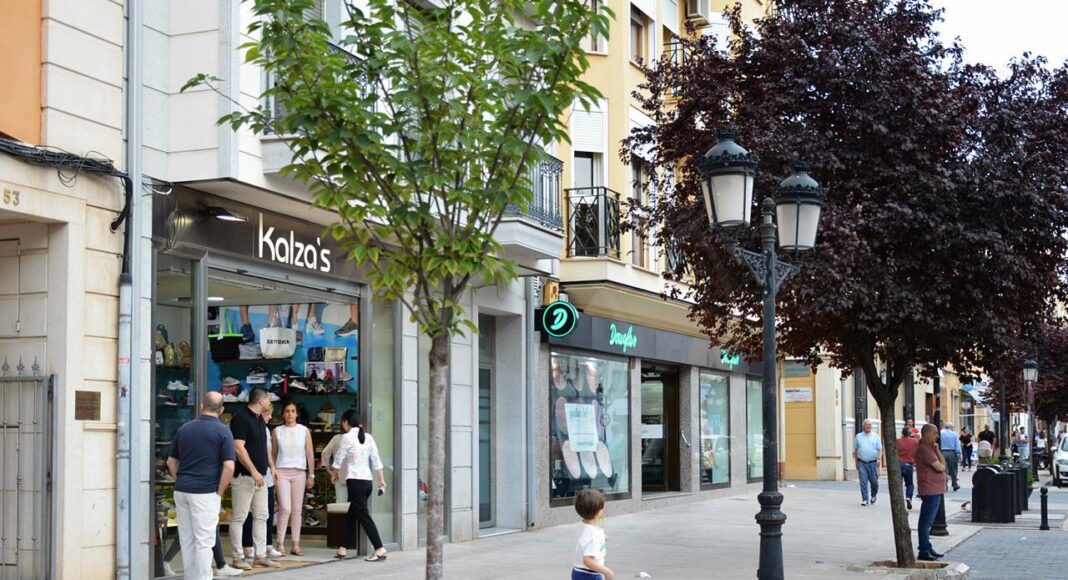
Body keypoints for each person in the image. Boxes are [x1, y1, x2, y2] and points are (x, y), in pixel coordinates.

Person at [165, 392, 236, 580]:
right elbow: (229, 467)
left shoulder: (184, 429)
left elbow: (171, 462)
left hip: (182, 490)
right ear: (221, 410)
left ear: (201, 406)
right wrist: (220, 491)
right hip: (205, 491)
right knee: (204, 542)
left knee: (187, 539)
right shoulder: (223, 432)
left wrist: (180, 479)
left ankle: (190, 577)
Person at [228, 387, 280, 569]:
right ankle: (237, 557)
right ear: (261, 400)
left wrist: (271, 467)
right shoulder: (241, 418)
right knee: (239, 517)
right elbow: (238, 448)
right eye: (268, 399)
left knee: (262, 516)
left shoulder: (260, 420)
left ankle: (260, 555)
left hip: (261, 476)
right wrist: (253, 471)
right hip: (244, 476)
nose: (269, 402)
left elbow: (263, 447)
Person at [332, 409, 388, 561]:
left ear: (346, 422)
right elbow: (376, 460)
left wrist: (334, 473)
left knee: (363, 516)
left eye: (342, 422)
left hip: (355, 482)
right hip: (367, 482)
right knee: (353, 514)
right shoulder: (368, 437)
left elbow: (338, 458)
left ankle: (379, 548)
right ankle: (343, 548)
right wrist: (381, 480)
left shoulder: (347, 437)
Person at [272, 400, 315, 556]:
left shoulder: (304, 431)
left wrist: (311, 474)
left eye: (293, 411)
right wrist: (272, 471)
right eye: (287, 411)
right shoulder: (277, 431)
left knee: (297, 510)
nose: (290, 414)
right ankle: (280, 543)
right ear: (283, 414)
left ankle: (295, 544)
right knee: (285, 508)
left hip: (299, 472)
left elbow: (310, 454)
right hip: (281, 472)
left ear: (297, 414)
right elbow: (273, 453)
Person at [243, 402, 282, 559]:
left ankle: (267, 545)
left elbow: (268, 451)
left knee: (267, 512)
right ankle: (247, 545)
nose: (270, 417)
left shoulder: (265, 429)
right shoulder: (253, 426)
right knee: (249, 512)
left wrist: (272, 467)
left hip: (266, 476)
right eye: (268, 414)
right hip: (252, 475)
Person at [916, 423, 947, 561]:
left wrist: (938, 450)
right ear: (927, 434)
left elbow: (943, 463)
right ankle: (923, 550)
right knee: (926, 522)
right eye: (935, 433)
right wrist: (938, 457)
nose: (937, 436)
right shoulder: (924, 449)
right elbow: (940, 467)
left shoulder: (930, 449)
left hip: (935, 489)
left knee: (927, 521)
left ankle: (927, 547)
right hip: (930, 489)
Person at [572, 489, 613, 580]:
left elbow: (585, 539)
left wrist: (602, 537)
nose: (604, 510)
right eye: (603, 507)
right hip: (589, 574)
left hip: (579, 571)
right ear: (598, 511)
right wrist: (607, 572)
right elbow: (588, 561)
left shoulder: (583, 525)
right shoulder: (593, 535)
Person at [322, 414, 355, 503]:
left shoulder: (336, 439)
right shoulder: (359, 439)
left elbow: (325, 453)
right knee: (356, 505)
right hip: (356, 478)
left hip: (340, 476)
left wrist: (330, 470)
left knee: (340, 503)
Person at [853, 419, 881, 506]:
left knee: (874, 482)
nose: (868, 426)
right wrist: (856, 462)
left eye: (869, 425)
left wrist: (879, 458)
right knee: (863, 481)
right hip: (862, 462)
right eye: (866, 425)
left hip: (873, 462)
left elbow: (879, 449)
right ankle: (865, 499)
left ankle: (873, 495)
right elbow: (855, 450)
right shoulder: (858, 436)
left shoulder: (876, 436)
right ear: (863, 426)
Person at [897, 425, 918, 510]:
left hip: (899, 464)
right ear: (910, 433)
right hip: (909, 464)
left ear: (902, 432)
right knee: (909, 484)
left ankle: (898, 501)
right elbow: (917, 452)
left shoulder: (898, 441)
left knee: (898, 484)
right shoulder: (914, 442)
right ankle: (908, 497)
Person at [939, 423, 961, 491]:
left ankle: (945, 485)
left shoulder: (941, 433)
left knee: (944, 469)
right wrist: (959, 453)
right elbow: (957, 444)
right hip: (952, 452)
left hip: (942, 452)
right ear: (951, 427)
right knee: (953, 469)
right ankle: (954, 484)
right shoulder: (954, 434)